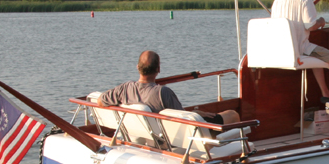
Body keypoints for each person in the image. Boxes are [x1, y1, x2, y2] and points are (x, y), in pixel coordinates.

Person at [99, 50, 239, 125]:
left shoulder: (124, 89)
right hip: (185, 132)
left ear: (137, 68)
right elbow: (185, 120)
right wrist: (198, 114)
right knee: (233, 114)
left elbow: (100, 101)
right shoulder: (162, 92)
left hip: (149, 132)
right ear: (158, 69)